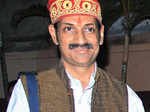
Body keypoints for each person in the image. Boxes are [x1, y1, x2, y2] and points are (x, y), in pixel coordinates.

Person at [7, 0, 145, 112]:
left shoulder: (125, 98)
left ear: (101, 34)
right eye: (69, 29)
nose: (80, 39)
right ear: (54, 35)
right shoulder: (29, 92)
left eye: (89, 29)